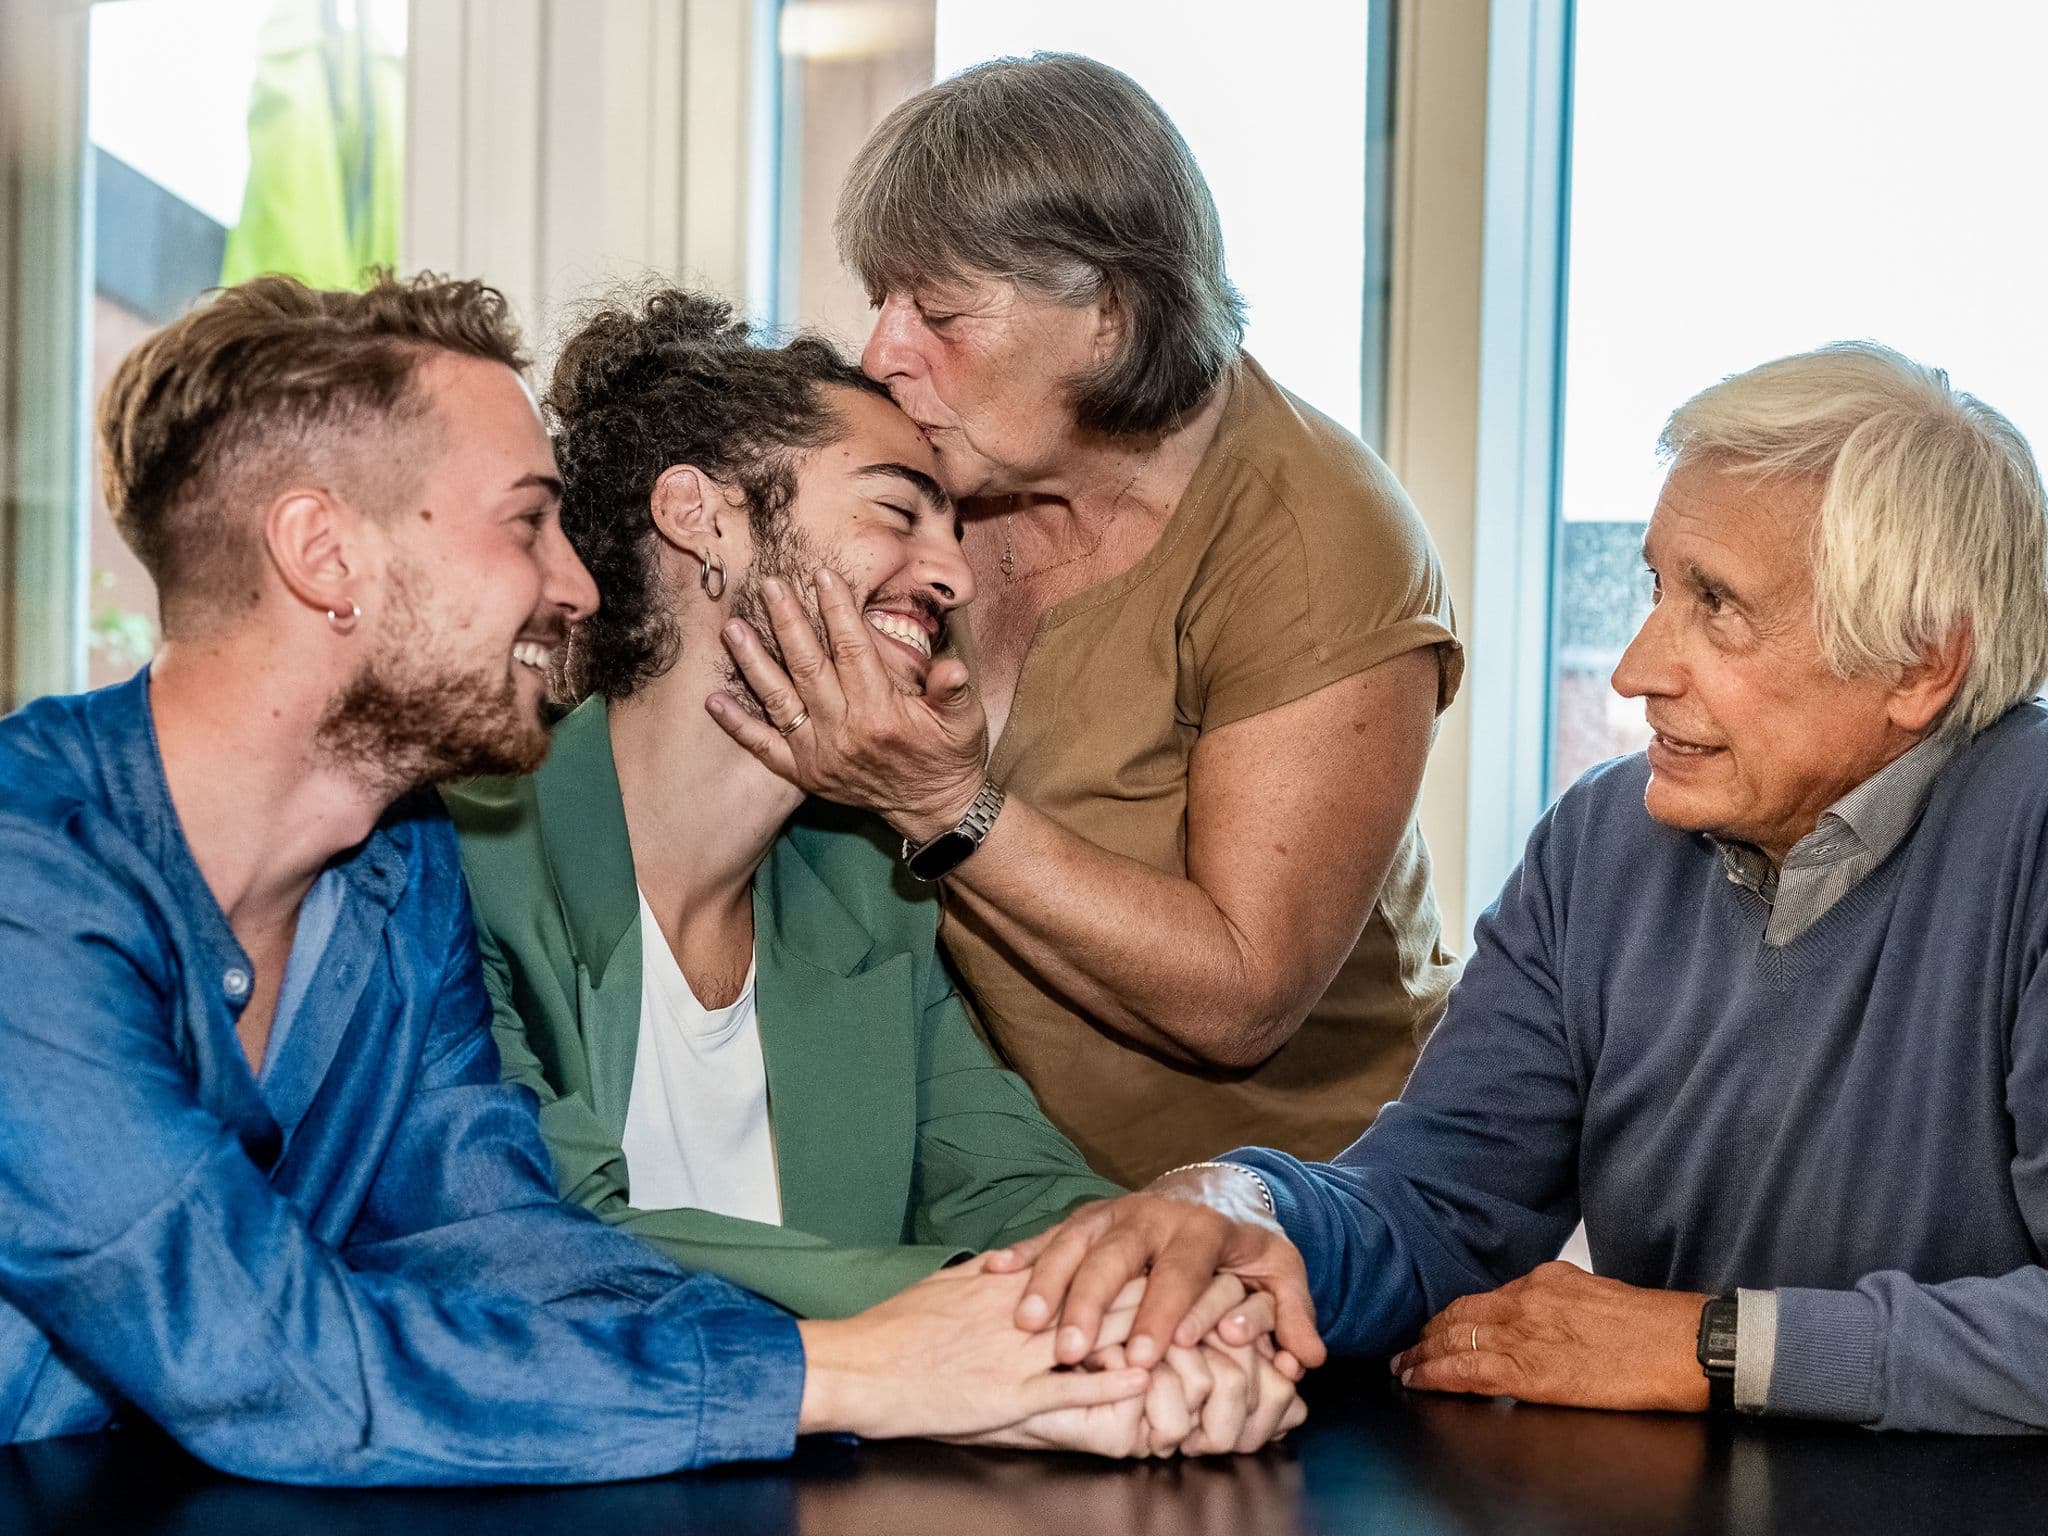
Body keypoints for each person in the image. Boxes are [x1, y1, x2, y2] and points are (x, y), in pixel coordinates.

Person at [0, 272, 1282, 1483]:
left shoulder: (400, 878)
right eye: (526, 524)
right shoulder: (27, 879)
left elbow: (506, 1243)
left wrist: (1073, 1334)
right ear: (321, 555)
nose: (573, 584)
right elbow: (266, 1357)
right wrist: (858, 1369)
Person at [978, 342, 2048, 1436]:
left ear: (1921, 665)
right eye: (1656, 586)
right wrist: (1243, 1205)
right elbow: (1439, 1205)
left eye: (1716, 605)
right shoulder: (1600, 839)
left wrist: (1708, 1343)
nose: (1634, 668)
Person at [708, 54, 1464, 1186]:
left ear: (1107, 316)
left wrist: (941, 803)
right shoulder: (934, 465)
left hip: (1313, 1202)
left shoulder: (1317, 539)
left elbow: (1242, 996)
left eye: (939, 312)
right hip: (1010, 1184)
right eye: (881, 301)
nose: (882, 352)